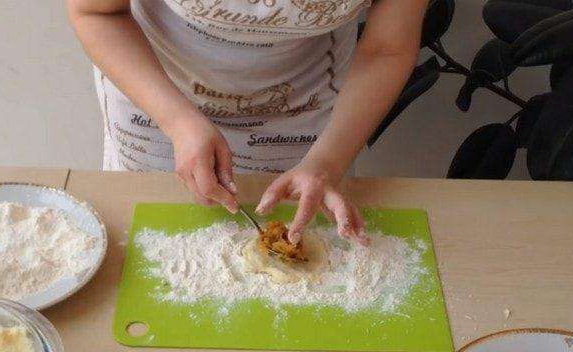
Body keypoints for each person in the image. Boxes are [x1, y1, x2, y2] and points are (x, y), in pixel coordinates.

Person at [67, 0, 426, 245]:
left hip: (303, 109)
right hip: (157, 94)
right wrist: (178, 123)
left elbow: (386, 49)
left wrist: (326, 163)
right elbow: (98, 12)